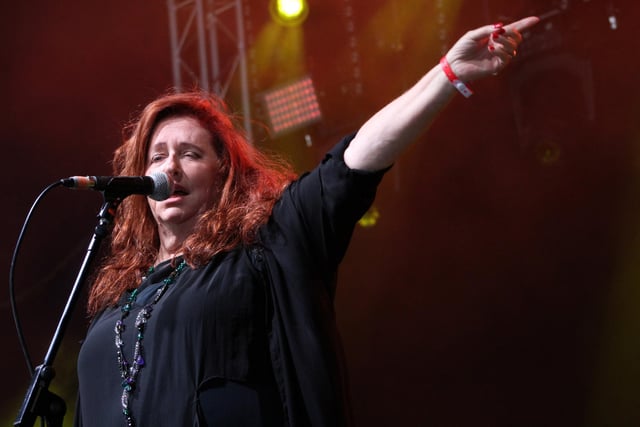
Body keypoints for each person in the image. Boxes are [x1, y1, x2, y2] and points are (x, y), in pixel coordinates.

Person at [74, 16, 539, 427]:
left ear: (223, 174)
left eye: (190, 154)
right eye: (158, 156)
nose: (169, 168)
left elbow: (352, 166)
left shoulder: (266, 247)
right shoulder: (117, 300)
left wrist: (446, 74)